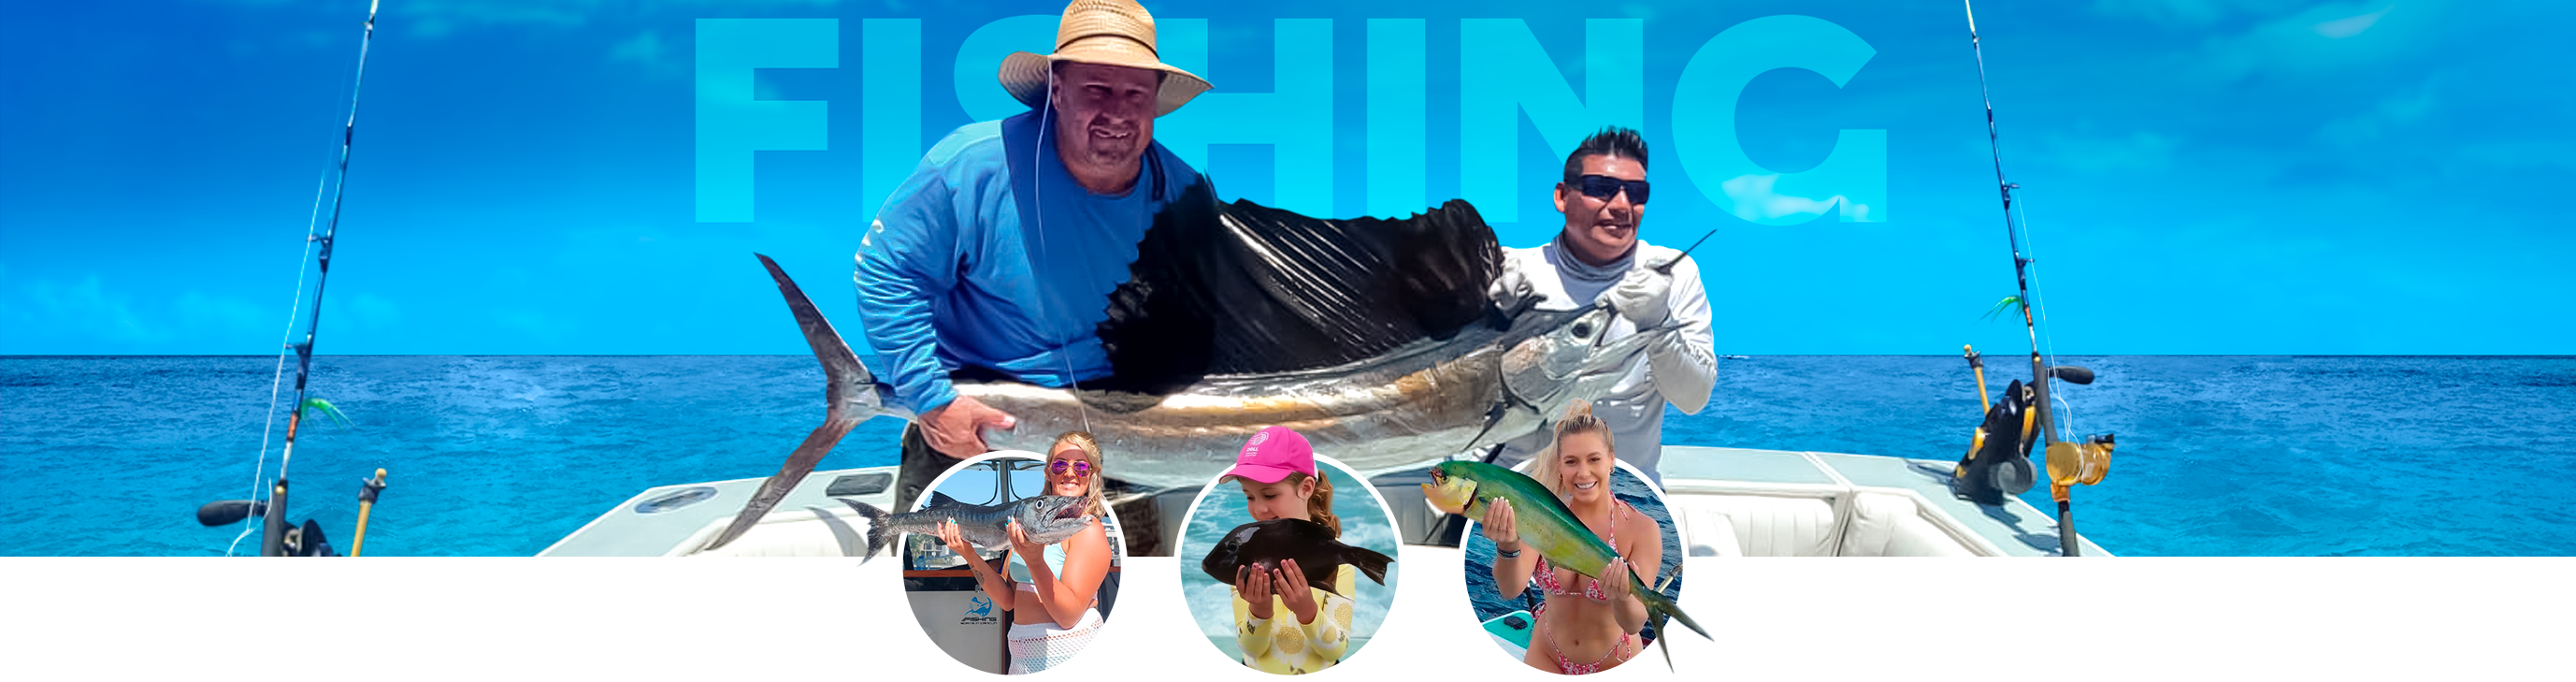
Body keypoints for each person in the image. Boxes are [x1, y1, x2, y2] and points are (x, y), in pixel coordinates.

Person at [854, 0, 1215, 518]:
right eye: (1096, 89)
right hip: (974, 419)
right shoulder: (969, 164)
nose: (1116, 111)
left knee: (1114, 596)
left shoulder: (1182, 192)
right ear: (1057, 92)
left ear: (1155, 103)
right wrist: (932, 401)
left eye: (1135, 93)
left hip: (1119, 433)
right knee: (950, 593)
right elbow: (887, 272)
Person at [1488, 126, 1717, 486]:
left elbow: (1693, 398)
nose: (1623, 205)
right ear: (1562, 196)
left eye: (1637, 193)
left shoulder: (1674, 273)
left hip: (1622, 505)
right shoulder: (1507, 273)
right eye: (1600, 189)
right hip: (1506, 497)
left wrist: (1659, 324)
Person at [1481, 401, 1663, 675]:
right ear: (1560, 467)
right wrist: (1508, 546)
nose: (1583, 473)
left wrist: (1623, 598)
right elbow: (1510, 589)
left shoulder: (1642, 528)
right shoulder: (1542, 518)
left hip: (1615, 661)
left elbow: (1634, 623)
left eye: (1594, 459)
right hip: (1547, 653)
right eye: (1571, 462)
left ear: (1611, 460)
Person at [938, 431, 1120, 675]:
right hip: (1024, 655)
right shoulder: (1028, 526)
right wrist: (969, 553)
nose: (1069, 473)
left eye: (1081, 467)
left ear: (1092, 474)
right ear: (1048, 472)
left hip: (1078, 658)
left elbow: (1068, 616)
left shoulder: (1088, 530)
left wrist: (1034, 560)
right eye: (1060, 464)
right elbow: (1007, 600)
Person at [1217, 426, 1359, 675]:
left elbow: (1336, 650)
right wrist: (1259, 611)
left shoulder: (1336, 557)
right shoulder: (1244, 557)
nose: (1258, 509)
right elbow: (1250, 649)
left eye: (1269, 495)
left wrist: (1307, 610)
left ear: (1305, 488)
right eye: (1249, 497)